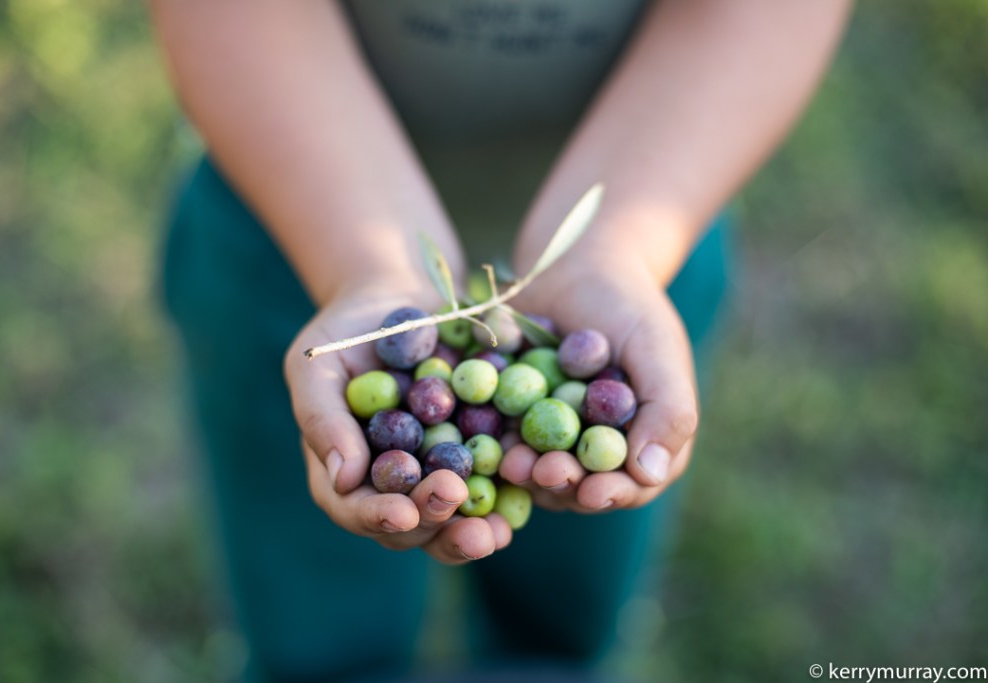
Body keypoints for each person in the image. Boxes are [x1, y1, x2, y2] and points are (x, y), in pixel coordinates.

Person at [151, 1, 852, 681]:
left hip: (646, 228)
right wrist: (369, 268)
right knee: (312, 616)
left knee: (565, 609)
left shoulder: (597, 335)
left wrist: (616, 251)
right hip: (297, 221)